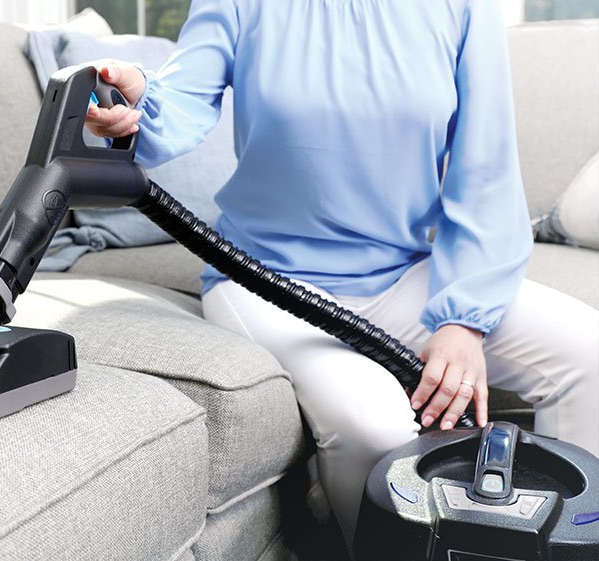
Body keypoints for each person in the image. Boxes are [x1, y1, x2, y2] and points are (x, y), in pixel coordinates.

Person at [84, 0, 599, 548]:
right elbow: (180, 99)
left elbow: (486, 170)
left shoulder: (464, 8)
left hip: (402, 272)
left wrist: (464, 321)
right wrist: (138, 99)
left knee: (586, 354)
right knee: (372, 427)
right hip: (268, 280)